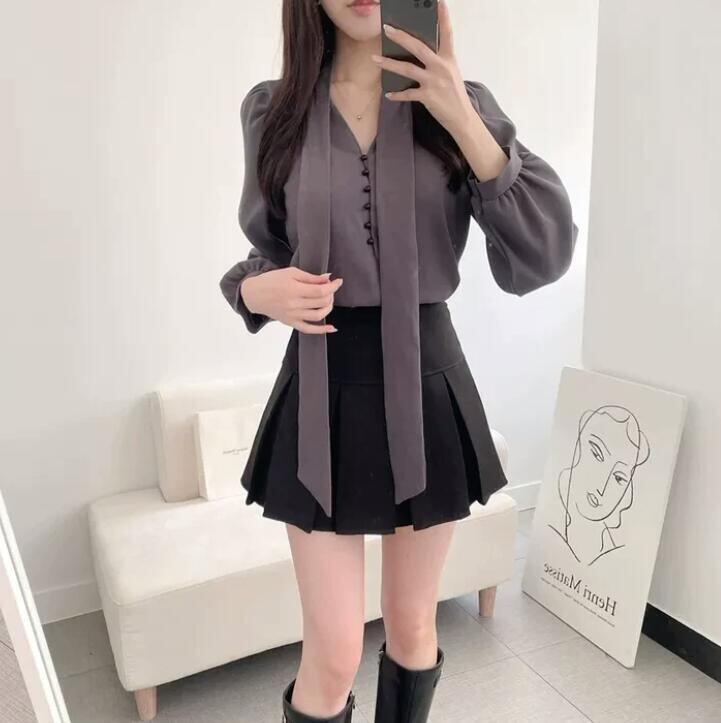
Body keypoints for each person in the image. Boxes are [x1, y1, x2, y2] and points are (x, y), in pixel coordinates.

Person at [219, 1, 578, 720]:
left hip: (427, 380)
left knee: (413, 626)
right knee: (332, 653)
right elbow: (268, 249)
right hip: (320, 385)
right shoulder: (273, 110)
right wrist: (253, 289)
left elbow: (543, 253)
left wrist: (460, 114)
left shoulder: (460, 104)